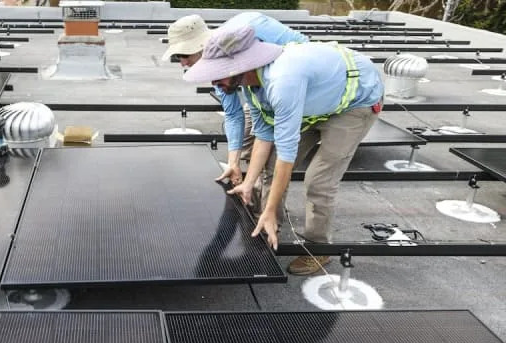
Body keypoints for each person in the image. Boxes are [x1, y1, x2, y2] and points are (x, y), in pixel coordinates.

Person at [183, 25, 383, 275]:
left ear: (239, 68)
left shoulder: (282, 82)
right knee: (270, 165)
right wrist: (248, 183)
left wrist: (268, 207)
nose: (215, 83)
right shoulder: (252, 86)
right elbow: (264, 135)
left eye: (218, 74)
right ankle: (269, 223)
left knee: (319, 181)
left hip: (355, 102)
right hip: (315, 100)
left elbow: (287, 157)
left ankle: (318, 249)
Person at [162, 13, 308, 219]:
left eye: (184, 55)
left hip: (293, 87)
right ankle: (252, 191)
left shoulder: (249, 38)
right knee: (249, 141)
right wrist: (233, 162)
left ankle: (269, 217)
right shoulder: (217, 64)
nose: (182, 63)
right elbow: (232, 113)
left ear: (201, 46)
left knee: (274, 160)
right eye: (178, 57)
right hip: (259, 90)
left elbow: (299, 63)